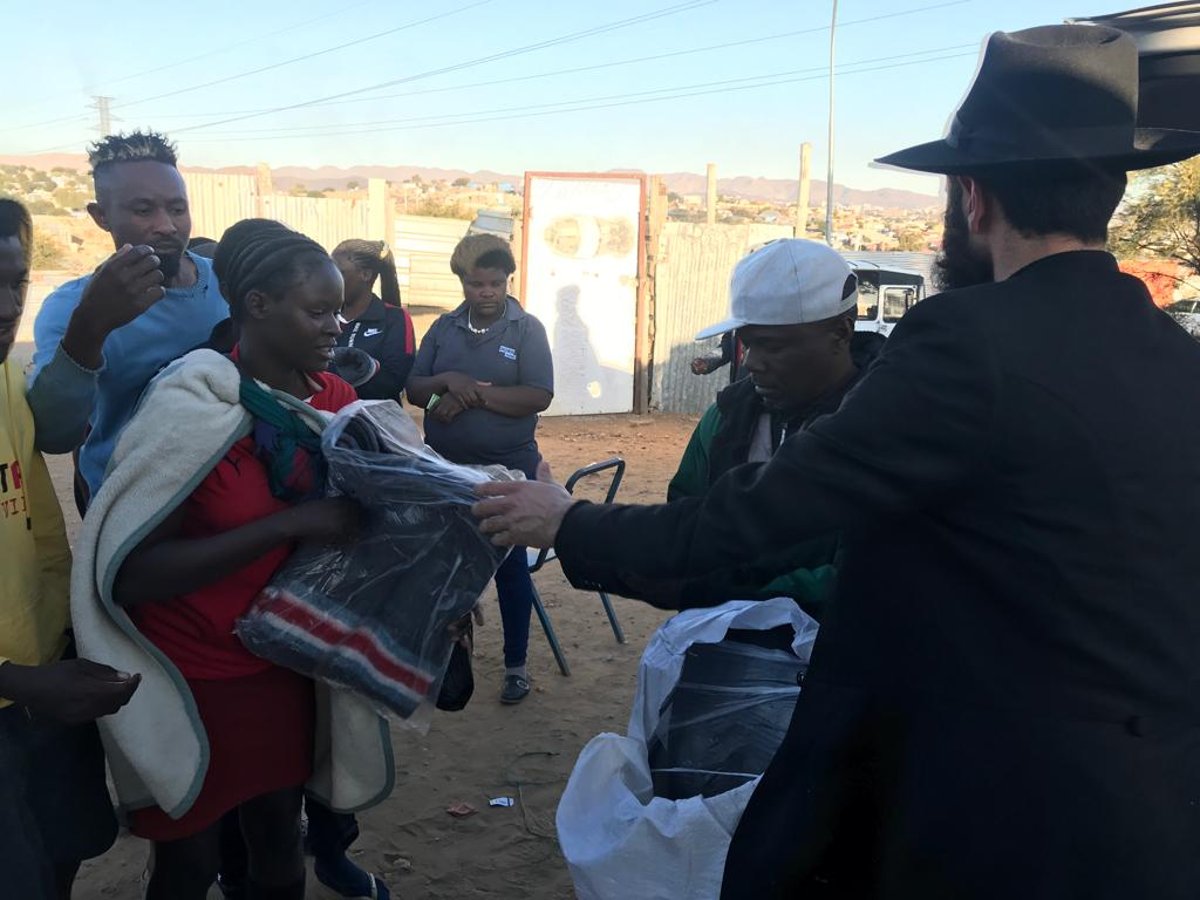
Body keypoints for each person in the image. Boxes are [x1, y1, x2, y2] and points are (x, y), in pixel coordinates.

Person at [472, 25, 1200, 899]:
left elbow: (757, 523)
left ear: (972, 197)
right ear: (1110, 192)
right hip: (1150, 813)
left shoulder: (967, 346)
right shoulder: (1174, 357)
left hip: (997, 822)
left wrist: (570, 522)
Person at [109, 219, 362, 900]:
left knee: (280, 848)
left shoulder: (334, 404)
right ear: (256, 306)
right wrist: (291, 522)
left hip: (281, 667)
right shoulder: (189, 400)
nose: (335, 325)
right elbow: (132, 572)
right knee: (189, 864)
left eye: (338, 309)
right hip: (191, 672)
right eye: (317, 310)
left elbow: (374, 521)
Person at [0, 198, 141, 899]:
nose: (5, 306)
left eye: (15, 281)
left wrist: (61, 647)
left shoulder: (3, 377)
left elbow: (55, 431)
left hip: (43, 672)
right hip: (19, 686)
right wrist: (18, 682)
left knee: (66, 845)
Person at [668, 239, 885, 619]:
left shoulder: (887, 427)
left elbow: (877, 570)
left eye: (772, 346)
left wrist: (742, 585)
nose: (752, 363)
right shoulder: (724, 419)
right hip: (724, 646)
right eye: (747, 344)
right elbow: (687, 515)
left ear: (840, 333)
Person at [28, 132, 228, 508]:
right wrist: (89, 327)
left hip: (228, 498)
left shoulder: (228, 283)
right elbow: (56, 434)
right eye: (143, 210)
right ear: (101, 216)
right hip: (132, 512)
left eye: (177, 208)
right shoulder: (71, 307)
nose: (167, 225)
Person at [407, 234, 553, 705]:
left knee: (510, 569)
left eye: (496, 282)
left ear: (508, 280)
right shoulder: (444, 329)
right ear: (462, 282)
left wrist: (474, 395)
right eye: (476, 283)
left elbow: (538, 396)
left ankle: (516, 666)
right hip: (447, 469)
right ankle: (445, 663)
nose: (487, 291)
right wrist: (446, 388)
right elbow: (415, 390)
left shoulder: (525, 330)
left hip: (509, 470)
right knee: (444, 568)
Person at [331, 239, 416, 402]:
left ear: (365, 274)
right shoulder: (323, 314)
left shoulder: (394, 318)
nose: (332, 279)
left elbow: (394, 380)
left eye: (339, 272)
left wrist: (364, 369)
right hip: (321, 417)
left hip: (370, 419)